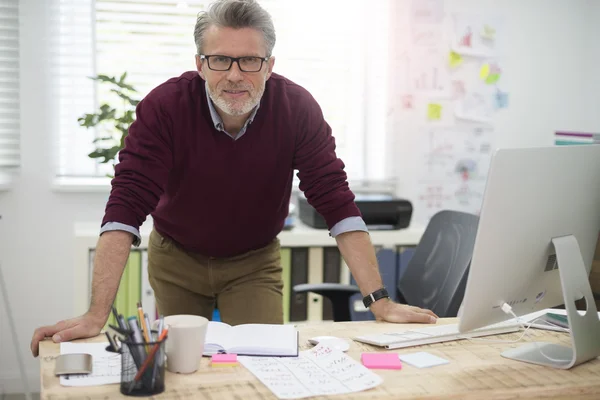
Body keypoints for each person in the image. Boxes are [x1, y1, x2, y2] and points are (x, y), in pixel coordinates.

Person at [30, 0, 437, 357]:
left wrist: (380, 302)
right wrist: (96, 313)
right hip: (176, 258)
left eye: (250, 60)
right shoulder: (165, 108)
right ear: (200, 64)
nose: (235, 75)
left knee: (262, 363)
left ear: (270, 64)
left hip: (253, 262)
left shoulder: (297, 110)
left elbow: (336, 204)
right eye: (220, 59)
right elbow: (126, 206)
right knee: (185, 367)